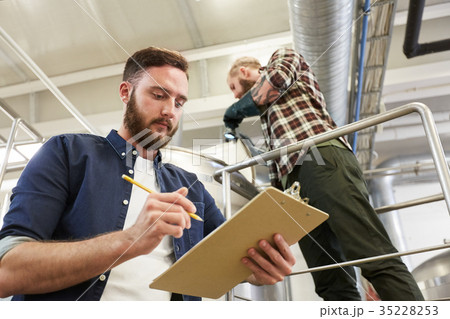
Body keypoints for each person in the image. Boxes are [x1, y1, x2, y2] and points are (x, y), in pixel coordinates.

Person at [0, 46, 295, 301]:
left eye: (179, 103)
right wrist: (129, 240)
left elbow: (231, 256)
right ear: (125, 92)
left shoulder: (191, 186)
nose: (170, 110)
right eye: (158, 94)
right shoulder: (68, 153)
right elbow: (7, 270)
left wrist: (257, 270)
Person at [223, 47, 424, 301]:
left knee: (372, 256)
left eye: (232, 87)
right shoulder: (268, 115)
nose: (235, 94)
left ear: (243, 71)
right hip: (294, 184)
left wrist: (235, 111)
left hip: (321, 157)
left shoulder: (283, 56)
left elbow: (275, 82)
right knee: (329, 281)